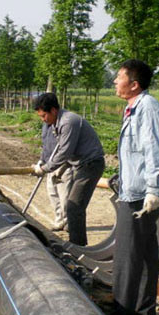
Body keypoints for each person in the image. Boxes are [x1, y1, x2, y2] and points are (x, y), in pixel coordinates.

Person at [110, 59, 159, 315]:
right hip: (136, 189)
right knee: (147, 251)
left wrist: (154, 190)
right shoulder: (134, 108)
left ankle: (123, 313)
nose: (115, 81)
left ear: (134, 84)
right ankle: (144, 308)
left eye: (119, 77)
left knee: (127, 254)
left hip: (140, 195)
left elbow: (154, 149)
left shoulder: (148, 108)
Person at [31, 92, 105, 246]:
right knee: (74, 206)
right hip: (79, 164)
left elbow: (65, 151)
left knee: (74, 206)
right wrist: (45, 163)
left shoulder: (68, 122)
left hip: (91, 164)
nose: (43, 119)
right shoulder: (55, 123)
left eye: (44, 115)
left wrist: (44, 169)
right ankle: (77, 244)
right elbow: (57, 149)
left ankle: (78, 247)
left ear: (53, 110)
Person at [40, 122, 74, 231]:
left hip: (63, 165)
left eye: (44, 115)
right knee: (52, 193)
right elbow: (45, 146)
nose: (43, 119)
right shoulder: (45, 126)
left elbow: (66, 148)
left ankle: (68, 222)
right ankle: (59, 220)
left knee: (64, 196)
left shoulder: (64, 125)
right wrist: (42, 160)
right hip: (50, 165)